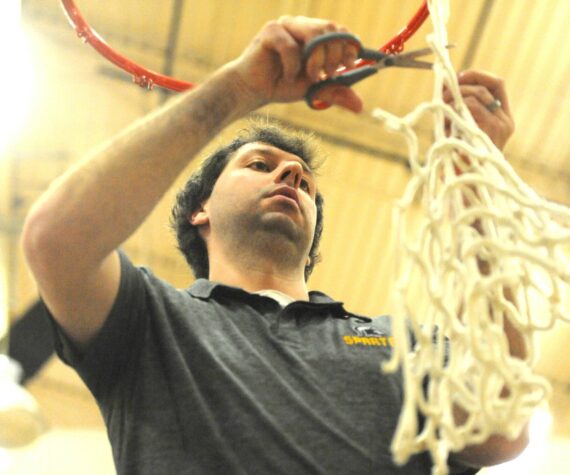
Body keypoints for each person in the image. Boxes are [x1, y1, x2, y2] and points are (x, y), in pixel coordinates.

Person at [22, 15, 526, 475]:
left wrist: (473, 180)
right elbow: (55, 239)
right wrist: (239, 87)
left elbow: (499, 424)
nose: (290, 173)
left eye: (305, 183)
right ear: (202, 211)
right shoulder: (151, 321)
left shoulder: (403, 345)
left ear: (311, 242)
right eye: (259, 164)